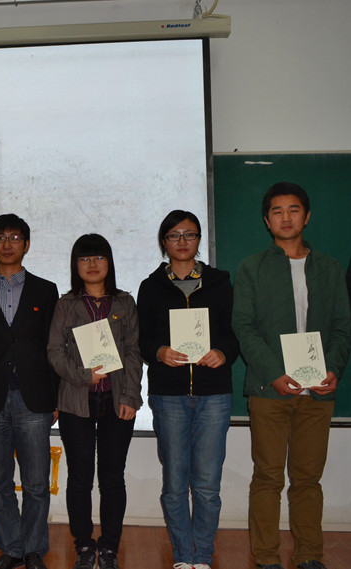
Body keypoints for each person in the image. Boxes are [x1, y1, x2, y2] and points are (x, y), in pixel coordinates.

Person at [232, 182, 350, 569]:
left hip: (317, 392)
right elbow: (244, 328)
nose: (286, 217)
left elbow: (342, 328)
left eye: (294, 210)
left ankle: (309, 555)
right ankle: (266, 557)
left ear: (307, 216)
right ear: (267, 221)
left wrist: (333, 369)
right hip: (269, 390)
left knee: (307, 480)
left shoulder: (330, 268)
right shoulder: (251, 268)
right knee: (267, 478)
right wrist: (274, 374)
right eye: (277, 211)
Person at [136, 210, 239, 569]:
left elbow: (234, 332)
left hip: (214, 394)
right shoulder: (150, 286)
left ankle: (202, 555)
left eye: (190, 234)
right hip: (168, 395)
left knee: (207, 485)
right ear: (164, 242)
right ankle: (183, 555)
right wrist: (158, 352)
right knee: (175, 484)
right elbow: (142, 339)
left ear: (199, 239)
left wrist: (223, 352)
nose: (182, 241)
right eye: (174, 235)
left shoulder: (220, 282)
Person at [0, 214, 59, 569]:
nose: (7, 244)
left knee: (36, 483)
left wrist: (56, 398)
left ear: (27, 244)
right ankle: (11, 548)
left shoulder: (46, 291)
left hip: (34, 399)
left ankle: (33, 549)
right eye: (0, 238)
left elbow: (54, 347)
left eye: (15, 237)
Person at [47, 234, 142, 569]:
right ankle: (85, 544)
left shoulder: (124, 302)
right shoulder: (66, 304)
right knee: (80, 477)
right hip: (76, 402)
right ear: (75, 265)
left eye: (98, 257)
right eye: (84, 258)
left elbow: (133, 352)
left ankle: (110, 546)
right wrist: (83, 375)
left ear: (109, 262)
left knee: (113, 478)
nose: (92, 264)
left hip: (117, 402)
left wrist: (130, 396)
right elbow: (54, 351)